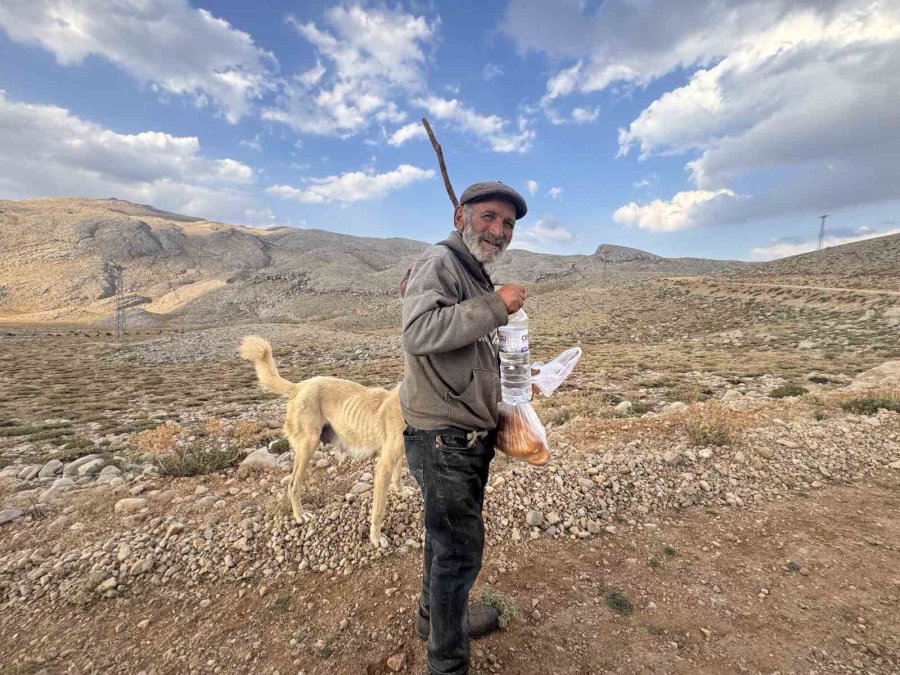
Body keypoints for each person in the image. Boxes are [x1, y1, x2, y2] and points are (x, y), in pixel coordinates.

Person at [400, 181, 527, 674]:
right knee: (458, 552)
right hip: (445, 437)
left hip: (460, 434)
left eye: (509, 224)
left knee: (444, 539)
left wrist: (517, 381)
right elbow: (420, 333)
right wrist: (496, 305)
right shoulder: (441, 262)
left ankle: (433, 619)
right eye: (490, 217)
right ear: (461, 216)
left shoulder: (469, 270)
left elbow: (465, 348)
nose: (499, 230)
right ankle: (447, 664)